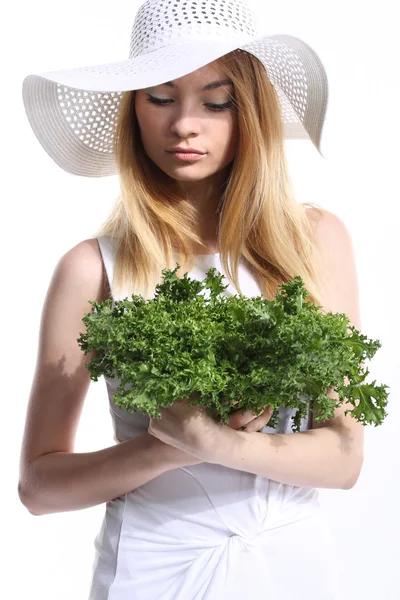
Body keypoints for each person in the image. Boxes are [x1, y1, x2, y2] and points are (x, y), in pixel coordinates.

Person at [18, 0, 364, 598]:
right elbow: (40, 487)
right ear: (133, 110)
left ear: (249, 112)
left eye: (216, 100)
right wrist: (164, 451)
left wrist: (215, 442)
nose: (184, 124)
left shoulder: (314, 242)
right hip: (152, 570)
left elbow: (344, 458)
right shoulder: (92, 269)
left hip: (291, 566)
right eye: (159, 97)